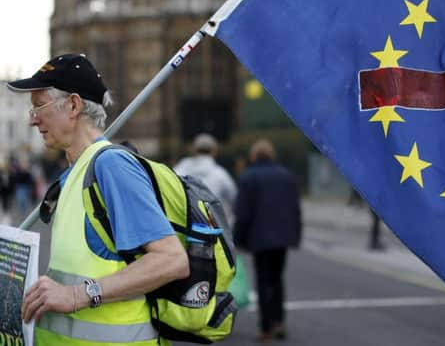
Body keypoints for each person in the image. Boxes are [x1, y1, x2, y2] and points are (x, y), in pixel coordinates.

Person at [6, 54, 188, 345]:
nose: (32, 119)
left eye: (39, 106)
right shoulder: (76, 170)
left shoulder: (111, 165)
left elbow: (171, 260)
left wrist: (78, 294)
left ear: (74, 105)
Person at [233, 139, 302, 343]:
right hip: (282, 238)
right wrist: (295, 235)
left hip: (259, 238)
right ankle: (279, 321)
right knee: (277, 279)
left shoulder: (248, 177)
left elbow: (242, 213)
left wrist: (238, 239)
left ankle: (266, 328)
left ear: (254, 156)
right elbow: (295, 209)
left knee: (263, 282)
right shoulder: (287, 176)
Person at [173, 133, 237, 220]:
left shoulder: (179, 169)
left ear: (194, 150)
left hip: (185, 225)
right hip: (213, 226)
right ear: (214, 151)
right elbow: (234, 199)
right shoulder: (221, 174)